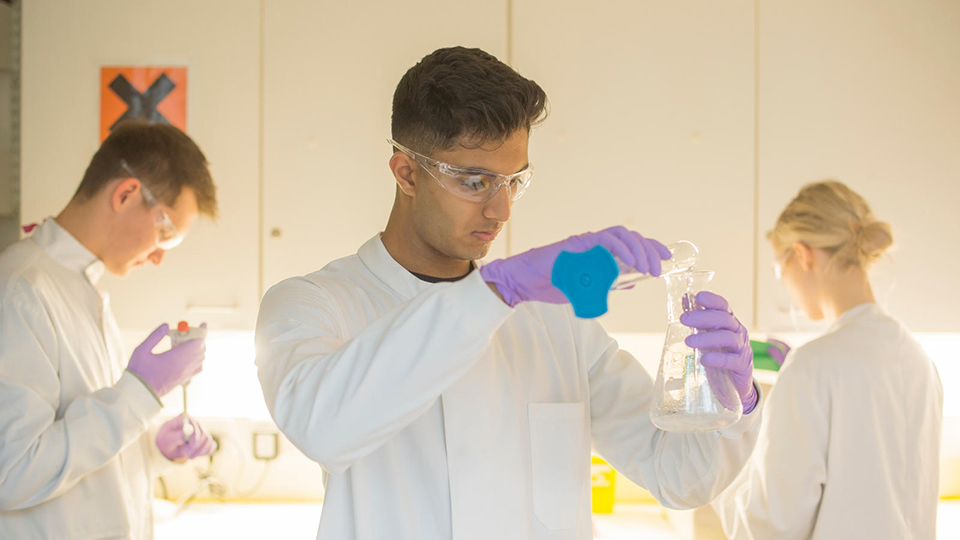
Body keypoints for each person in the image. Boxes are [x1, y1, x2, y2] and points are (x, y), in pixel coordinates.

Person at [255, 46, 762, 539]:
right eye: (475, 181)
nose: (501, 210)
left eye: (512, 181)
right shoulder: (312, 304)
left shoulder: (555, 321)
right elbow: (323, 429)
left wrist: (730, 400)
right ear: (407, 173)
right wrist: (498, 288)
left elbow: (679, 476)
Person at [0, 122, 220, 539]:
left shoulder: (81, 288)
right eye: (165, 234)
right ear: (125, 194)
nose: (158, 257)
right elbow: (12, 470)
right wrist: (139, 392)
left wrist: (150, 449)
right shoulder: (20, 292)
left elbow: (79, 444)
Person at [712, 180, 943, 539]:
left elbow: (768, 530)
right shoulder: (919, 360)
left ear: (803, 255)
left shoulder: (811, 367)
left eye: (780, 267)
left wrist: (718, 470)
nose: (784, 283)